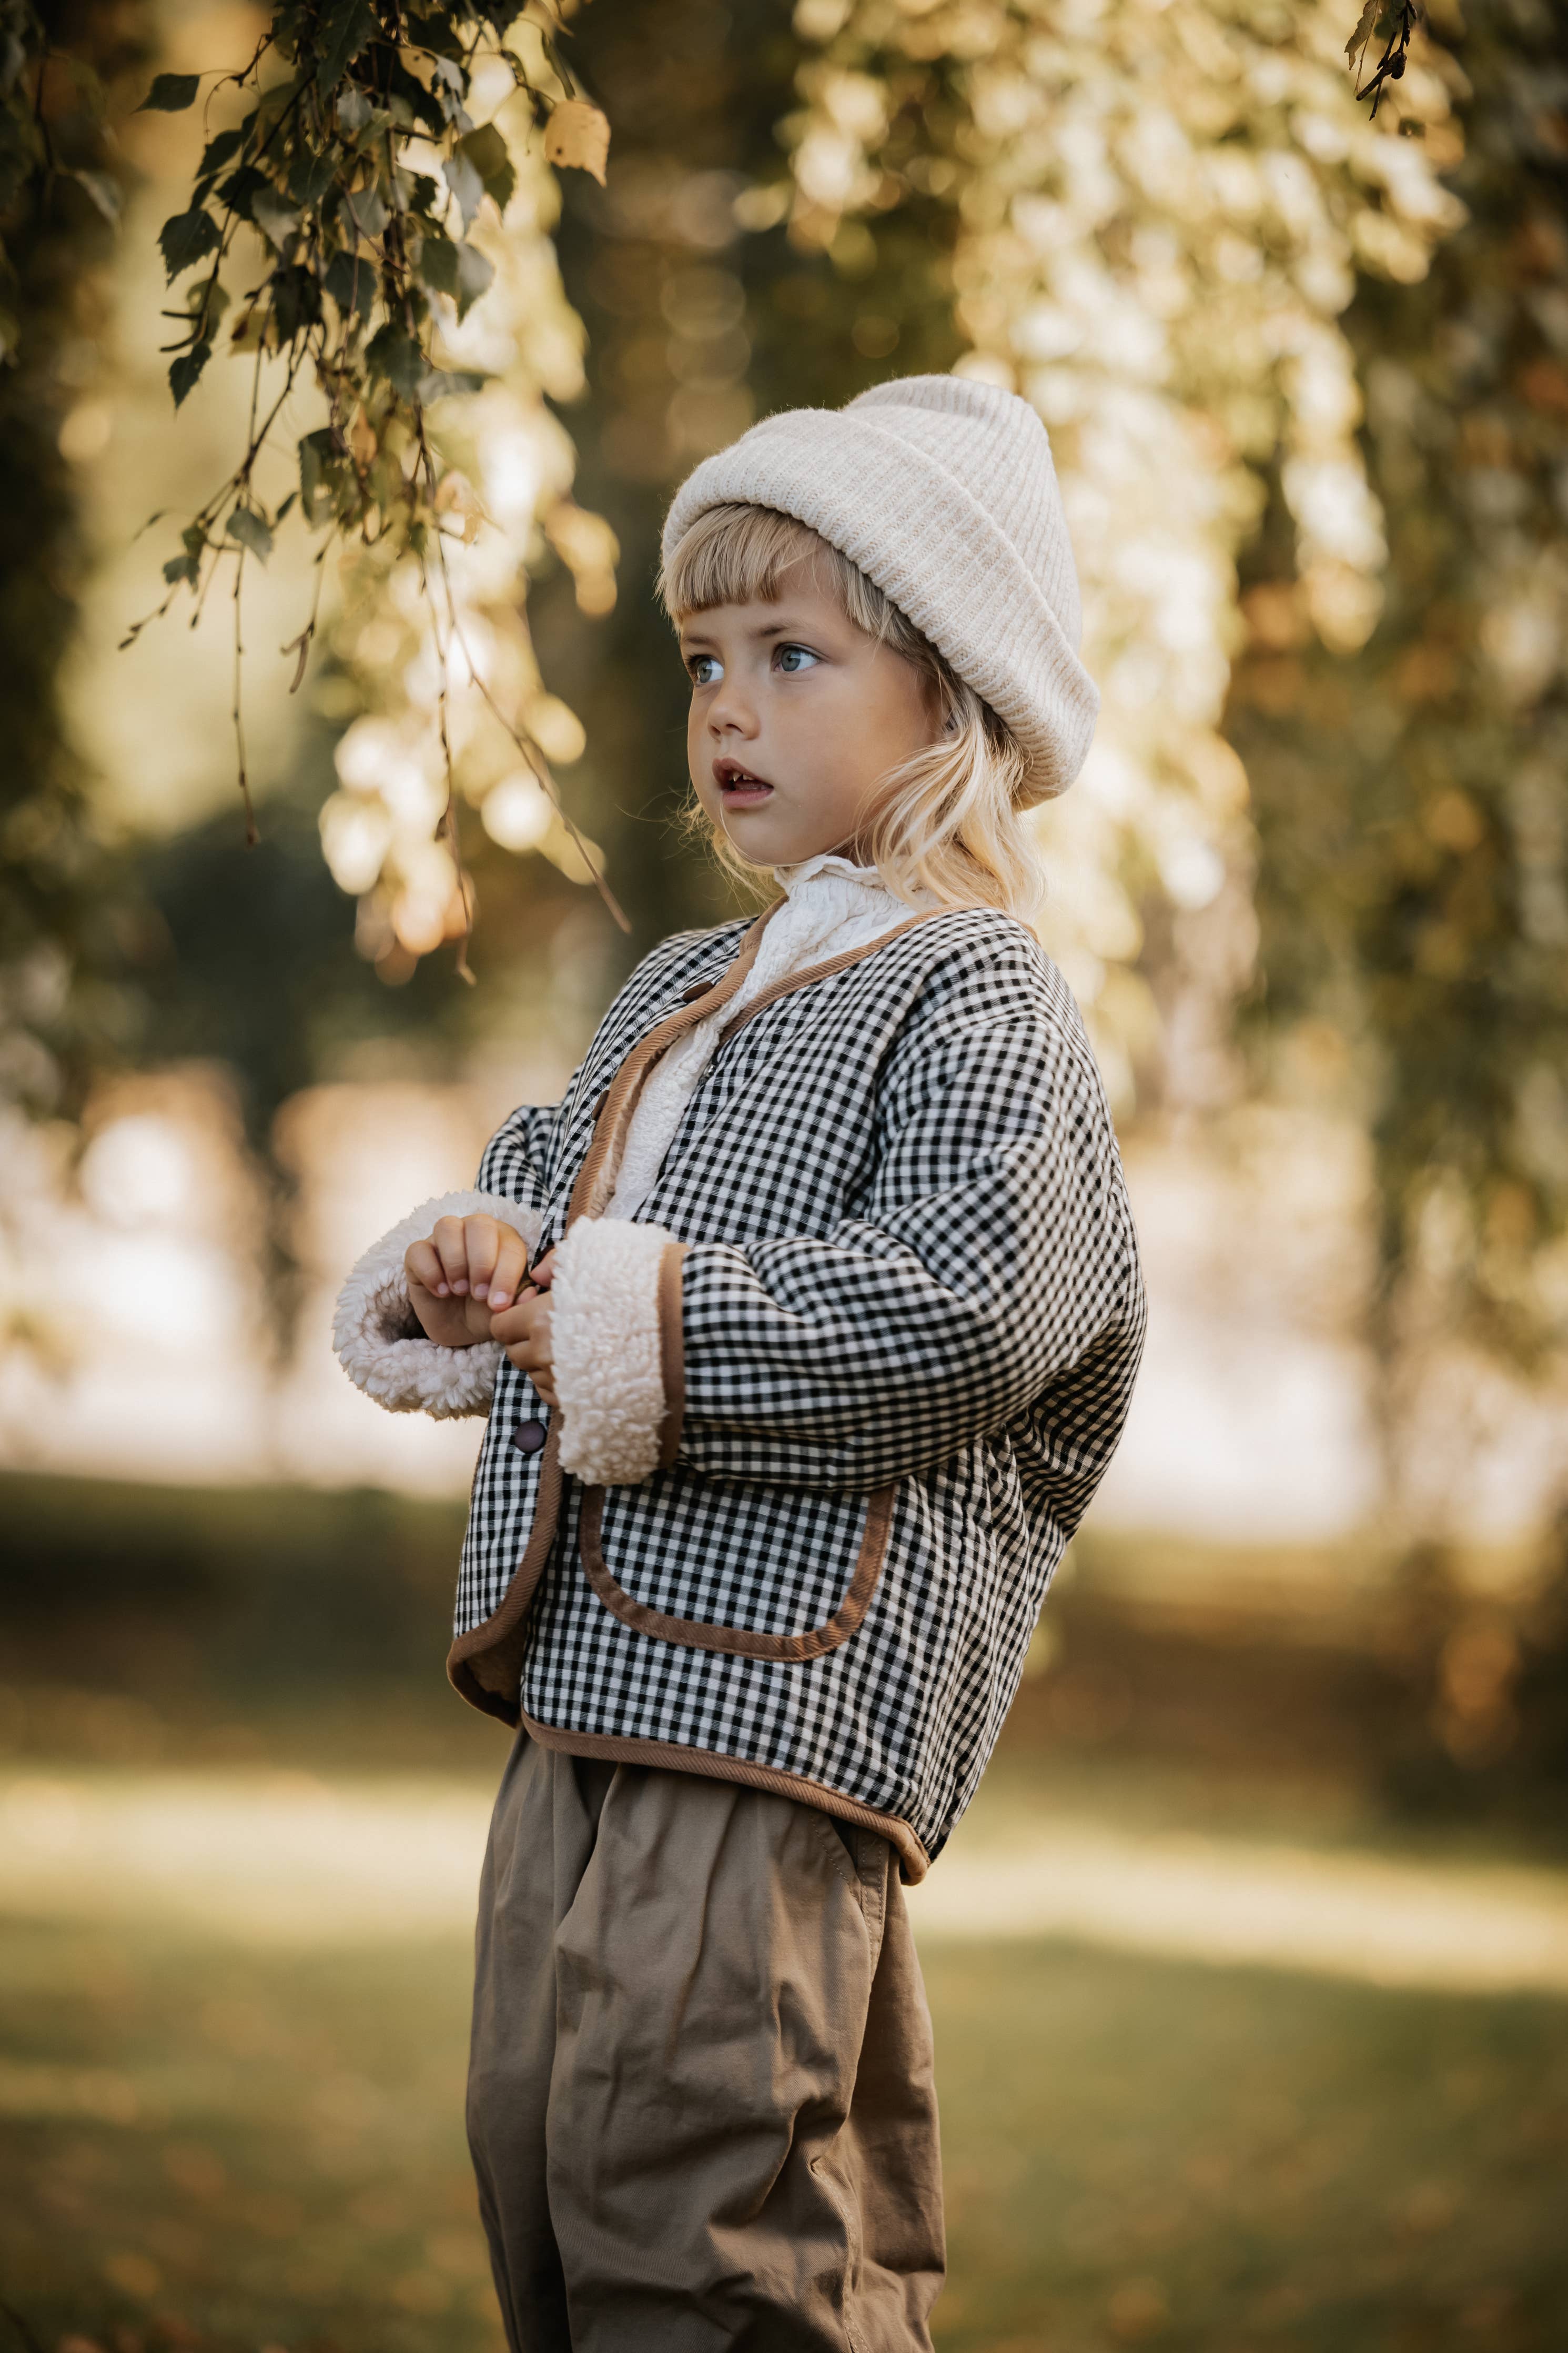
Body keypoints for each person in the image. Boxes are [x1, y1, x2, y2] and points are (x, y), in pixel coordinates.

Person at [333, 374, 1146, 2351]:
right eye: (708, 658)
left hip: (774, 1721)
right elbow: (549, 1201)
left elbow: (961, 1312)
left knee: (706, 2212)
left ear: (952, 702)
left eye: (795, 654)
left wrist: (622, 1310)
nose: (726, 708)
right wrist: (475, 1264)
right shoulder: (684, 984)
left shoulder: (983, 1005)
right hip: (584, 1705)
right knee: (541, 2163)